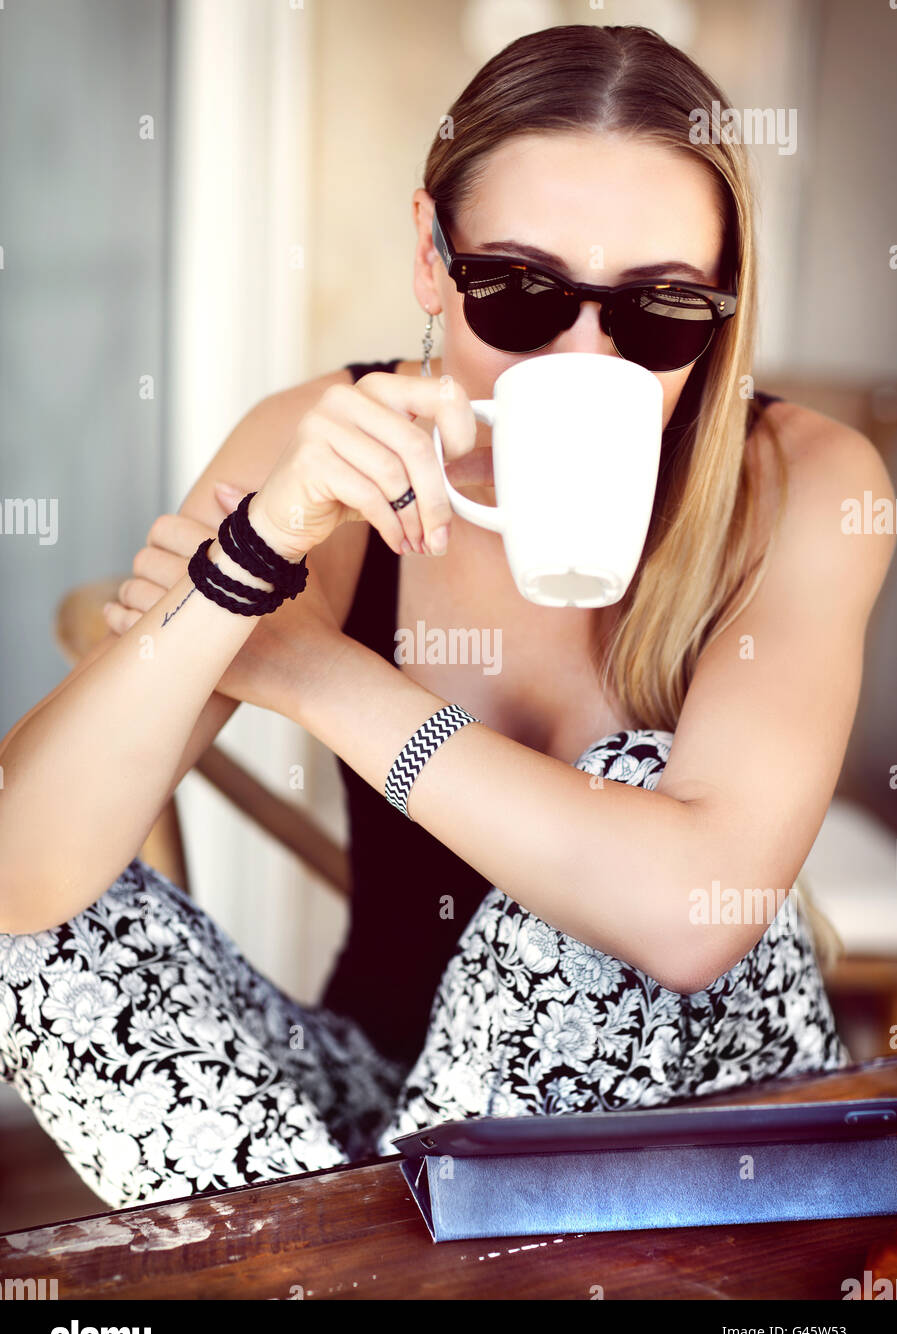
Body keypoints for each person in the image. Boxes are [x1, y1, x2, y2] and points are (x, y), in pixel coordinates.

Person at [0, 24, 892, 1209]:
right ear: (431, 255)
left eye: (663, 310)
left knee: (632, 814)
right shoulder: (324, 447)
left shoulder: (805, 480)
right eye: (520, 292)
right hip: (392, 1111)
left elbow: (685, 916)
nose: (586, 359)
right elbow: (26, 876)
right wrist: (248, 562)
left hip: (695, 1135)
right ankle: (375, 1274)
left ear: (719, 314)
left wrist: (317, 674)